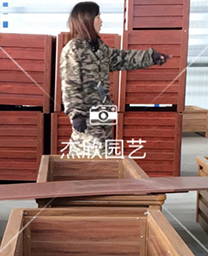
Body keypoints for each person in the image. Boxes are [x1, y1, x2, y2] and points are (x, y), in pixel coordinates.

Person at [60, 1, 168, 157]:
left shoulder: (99, 48)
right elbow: (70, 84)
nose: (101, 21)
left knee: (103, 154)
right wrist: (76, 114)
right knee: (91, 155)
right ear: (87, 19)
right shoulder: (74, 49)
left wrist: (151, 57)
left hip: (102, 113)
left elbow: (122, 58)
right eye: (98, 17)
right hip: (86, 114)